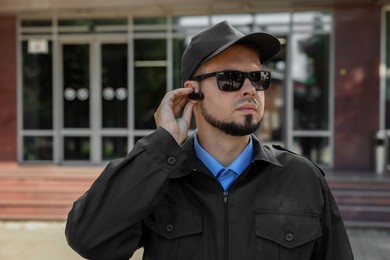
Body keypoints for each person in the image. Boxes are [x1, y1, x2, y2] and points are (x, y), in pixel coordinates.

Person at [65, 21, 354, 260]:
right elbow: (89, 239)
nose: (250, 90)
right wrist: (161, 145)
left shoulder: (302, 178)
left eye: (258, 78)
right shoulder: (158, 178)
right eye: (231, 79)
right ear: (191, 91)